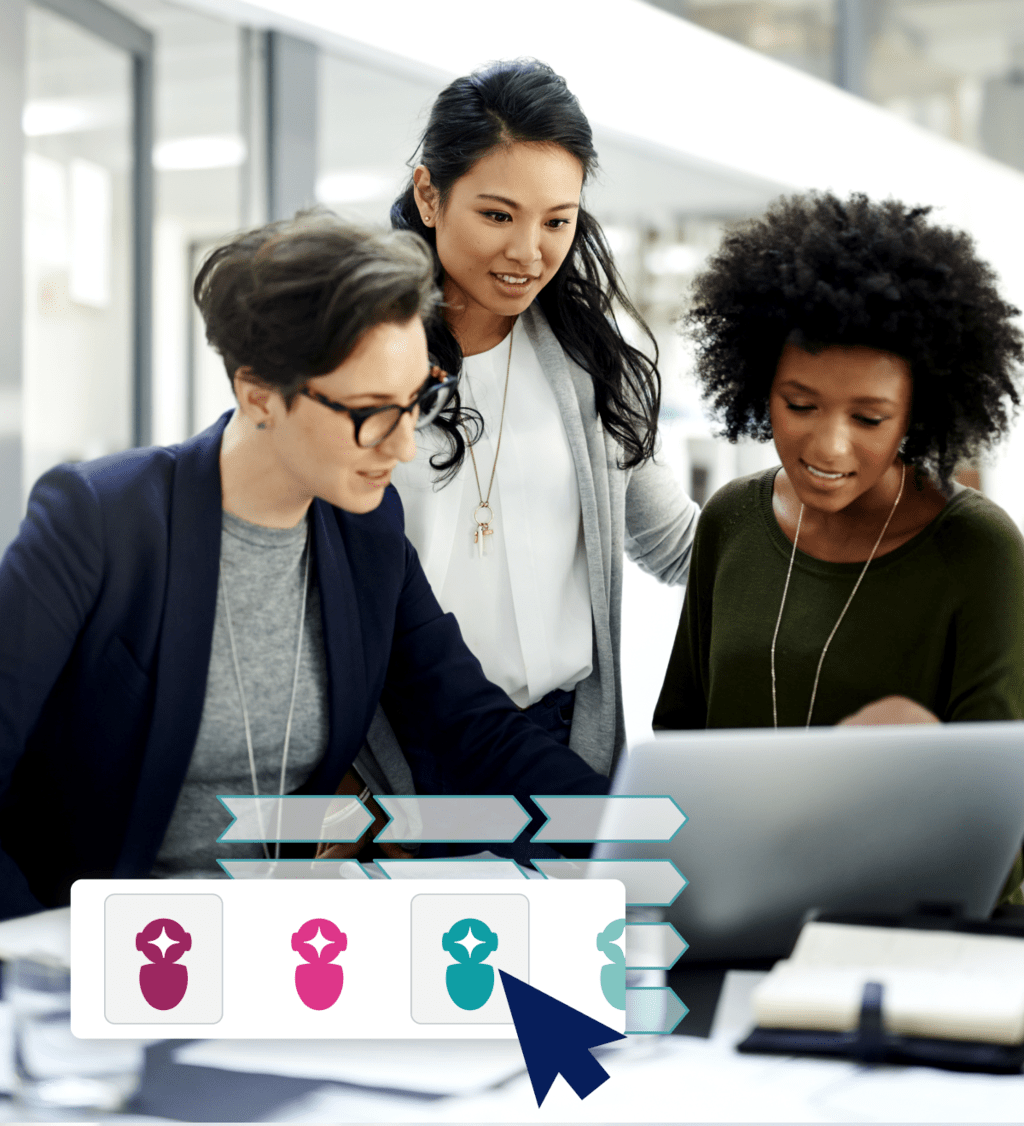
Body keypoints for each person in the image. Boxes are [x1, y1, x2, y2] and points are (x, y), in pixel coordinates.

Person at [0, 212, 608, 923]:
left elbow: (468, 723)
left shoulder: (366, 532)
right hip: (100, 945)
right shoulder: (101, 519)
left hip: (277, 944)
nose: (403, 447)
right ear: (258, 393)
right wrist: (45, 949)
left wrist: (633, 836)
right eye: (371, 412)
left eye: (417, 401)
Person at [363, 57, 697, 800]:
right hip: (396, 748)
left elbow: (677, 544)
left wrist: (843, 539)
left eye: (557, 221)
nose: (528, 251)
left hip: (558, 738)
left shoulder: (592, 362)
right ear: (429, 195)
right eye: (497, 215)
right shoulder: (361, 359)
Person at [654, 191, 1024, 734]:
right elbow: (678, 732)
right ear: (761, 386)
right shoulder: (730, 519)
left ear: (917, 413)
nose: (829, 447)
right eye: (800, 405)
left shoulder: (977, 549)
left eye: (869, 418)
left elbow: (995, 775)